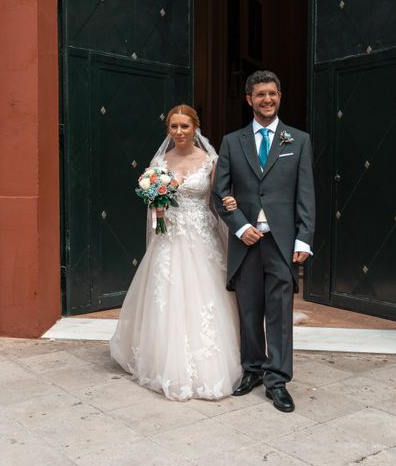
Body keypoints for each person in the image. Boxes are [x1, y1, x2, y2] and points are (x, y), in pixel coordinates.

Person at [110, 105, 242, 401]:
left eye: (185, 126)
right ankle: (162, 361)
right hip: (168, 237)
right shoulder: (160, 161)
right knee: (166, 294)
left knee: (204, 295)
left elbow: (220, 197)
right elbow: (154, 199)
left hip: (201, 236)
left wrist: (233, 203)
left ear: (196, 127)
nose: (179, 132)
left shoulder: (210, 160)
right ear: (168, 129)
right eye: (174, 127)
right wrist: (156, 206)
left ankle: (211, 363)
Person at [212, 70, 315, 412]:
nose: (267, 99)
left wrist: (304, 239)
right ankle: (253, 370)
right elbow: (219, 193)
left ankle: (277, 380)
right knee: (249, 311)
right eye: (260, 95)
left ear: (280, 96)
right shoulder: (232, 142)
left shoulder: (298, 140)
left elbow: (306, 195)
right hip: (246, 244)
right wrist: (240, 227)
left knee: (280, 314)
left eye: (272, 93)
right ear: (249, 100)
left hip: (283, 244)